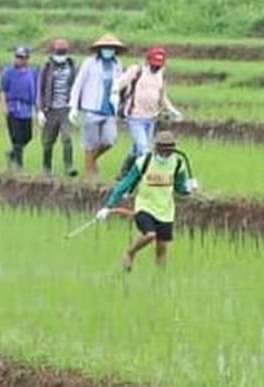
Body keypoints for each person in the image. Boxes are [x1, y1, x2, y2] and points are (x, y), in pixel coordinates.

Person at [96, 129, 197, 270]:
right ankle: (130, 252)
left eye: (168, 151)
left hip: (166, 211)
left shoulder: (178, 164)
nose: (165, 154)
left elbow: (180, 189)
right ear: (156, 149)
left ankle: (159, 281)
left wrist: (189, 188)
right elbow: (125, 184)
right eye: (162, 150)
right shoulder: (144, 162)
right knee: (150, 235)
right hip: (145, 207)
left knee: (162, 249)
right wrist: (108, 206)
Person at [115, 45, 183, 178]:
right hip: (135, 117)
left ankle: (124, 171)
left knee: (137, 148)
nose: (156, 67)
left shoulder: (161, 75)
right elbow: (119, 84)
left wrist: (173, 111)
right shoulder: (137, 70)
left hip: (151, 118)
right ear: (148, 61)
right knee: (144, 149)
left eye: (159, 65)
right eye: (154, 64)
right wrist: (113, 97)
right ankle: (144, 176)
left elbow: (162, 97)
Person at [69, 33, 126, 180]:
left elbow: (120, 85)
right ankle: (90, 177)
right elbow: (78, 84)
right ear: (99, 49)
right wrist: (74, 106)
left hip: (109, 109)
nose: (108, 50)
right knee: (90, 144)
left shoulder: (117, 64)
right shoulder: (89, 63)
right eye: (105, 47)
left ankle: (92, 161)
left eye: (111, 48)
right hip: (91, 108)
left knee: (109, 140)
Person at [36, 38, 78, 178]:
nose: (60, 54)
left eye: (63, 52)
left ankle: (68, 167)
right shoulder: (47, 66)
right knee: (48, 140)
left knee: (67, 138)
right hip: (50, 108)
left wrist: (75, 107)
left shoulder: (71, 65)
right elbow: (40, 88)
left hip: (66, 108)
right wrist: (40, 110)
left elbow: (76, 86)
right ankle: (46, 168)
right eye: (58, 52)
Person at [0, 45, 37, 171]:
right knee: (17, 138)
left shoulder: (32, 72)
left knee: (28, 136)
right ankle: (19, 166)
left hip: (26, 109)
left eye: (23, 57)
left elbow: (35, 90)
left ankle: (12, 154)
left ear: (27, 59)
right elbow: (3, 90)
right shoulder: (8, 72)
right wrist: (4, 106)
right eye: (18, 57)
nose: (20, 60)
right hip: (13, 107)